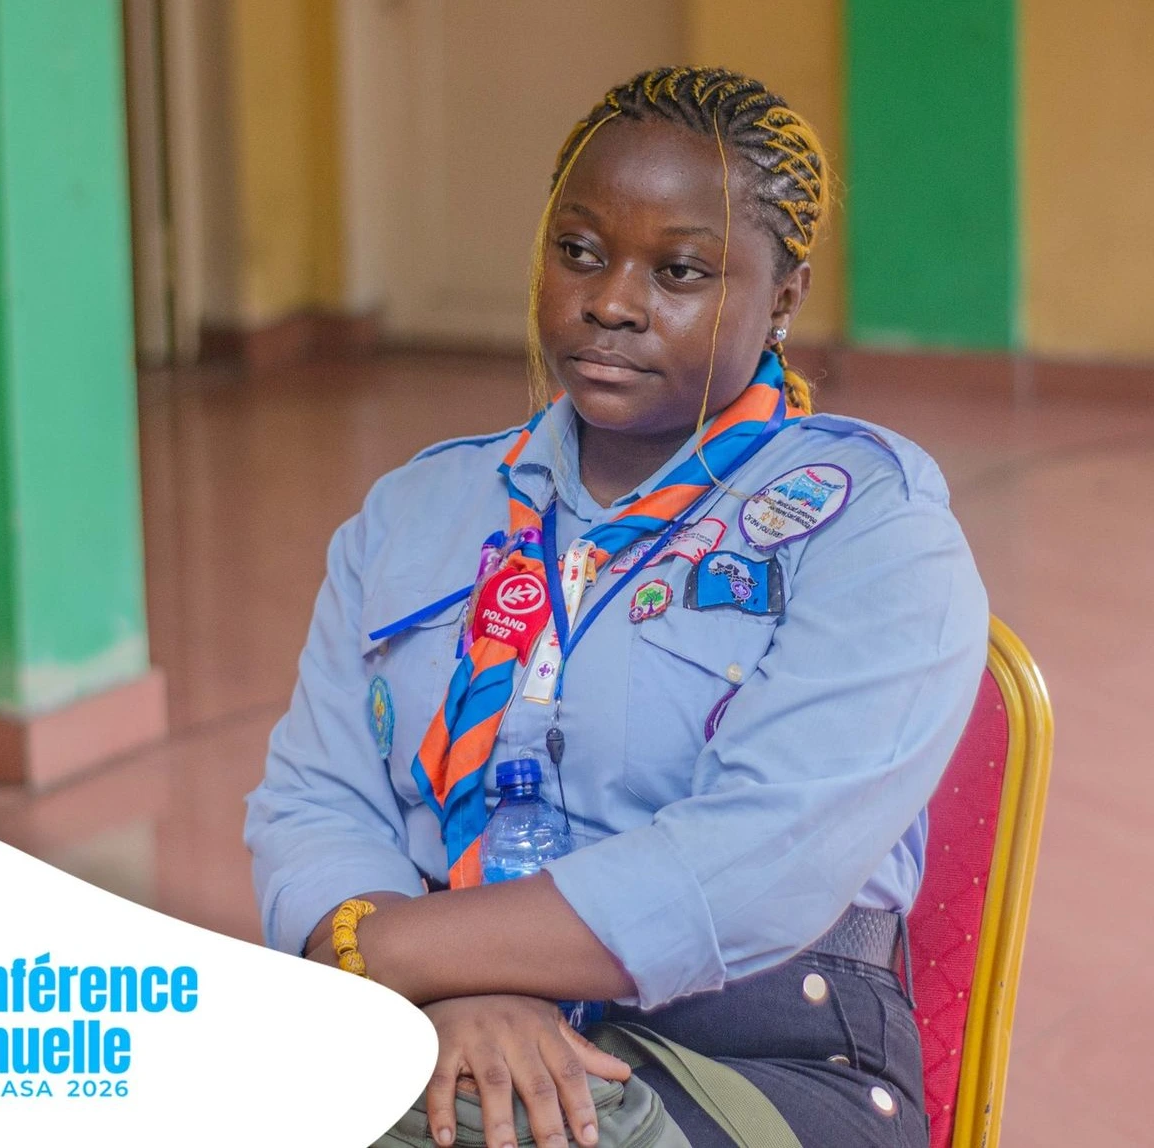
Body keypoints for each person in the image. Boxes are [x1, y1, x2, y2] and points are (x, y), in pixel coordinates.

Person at [244, 66, 988, 1148]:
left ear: (784, 296)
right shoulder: (417, 510)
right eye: (580, 251)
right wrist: (453, 994)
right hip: (432, 1024)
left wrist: (396, 952)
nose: (612, 301)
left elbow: (753, 867)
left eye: (679, 270)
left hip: (758, 1057)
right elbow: (314, 801)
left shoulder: (868, 525)